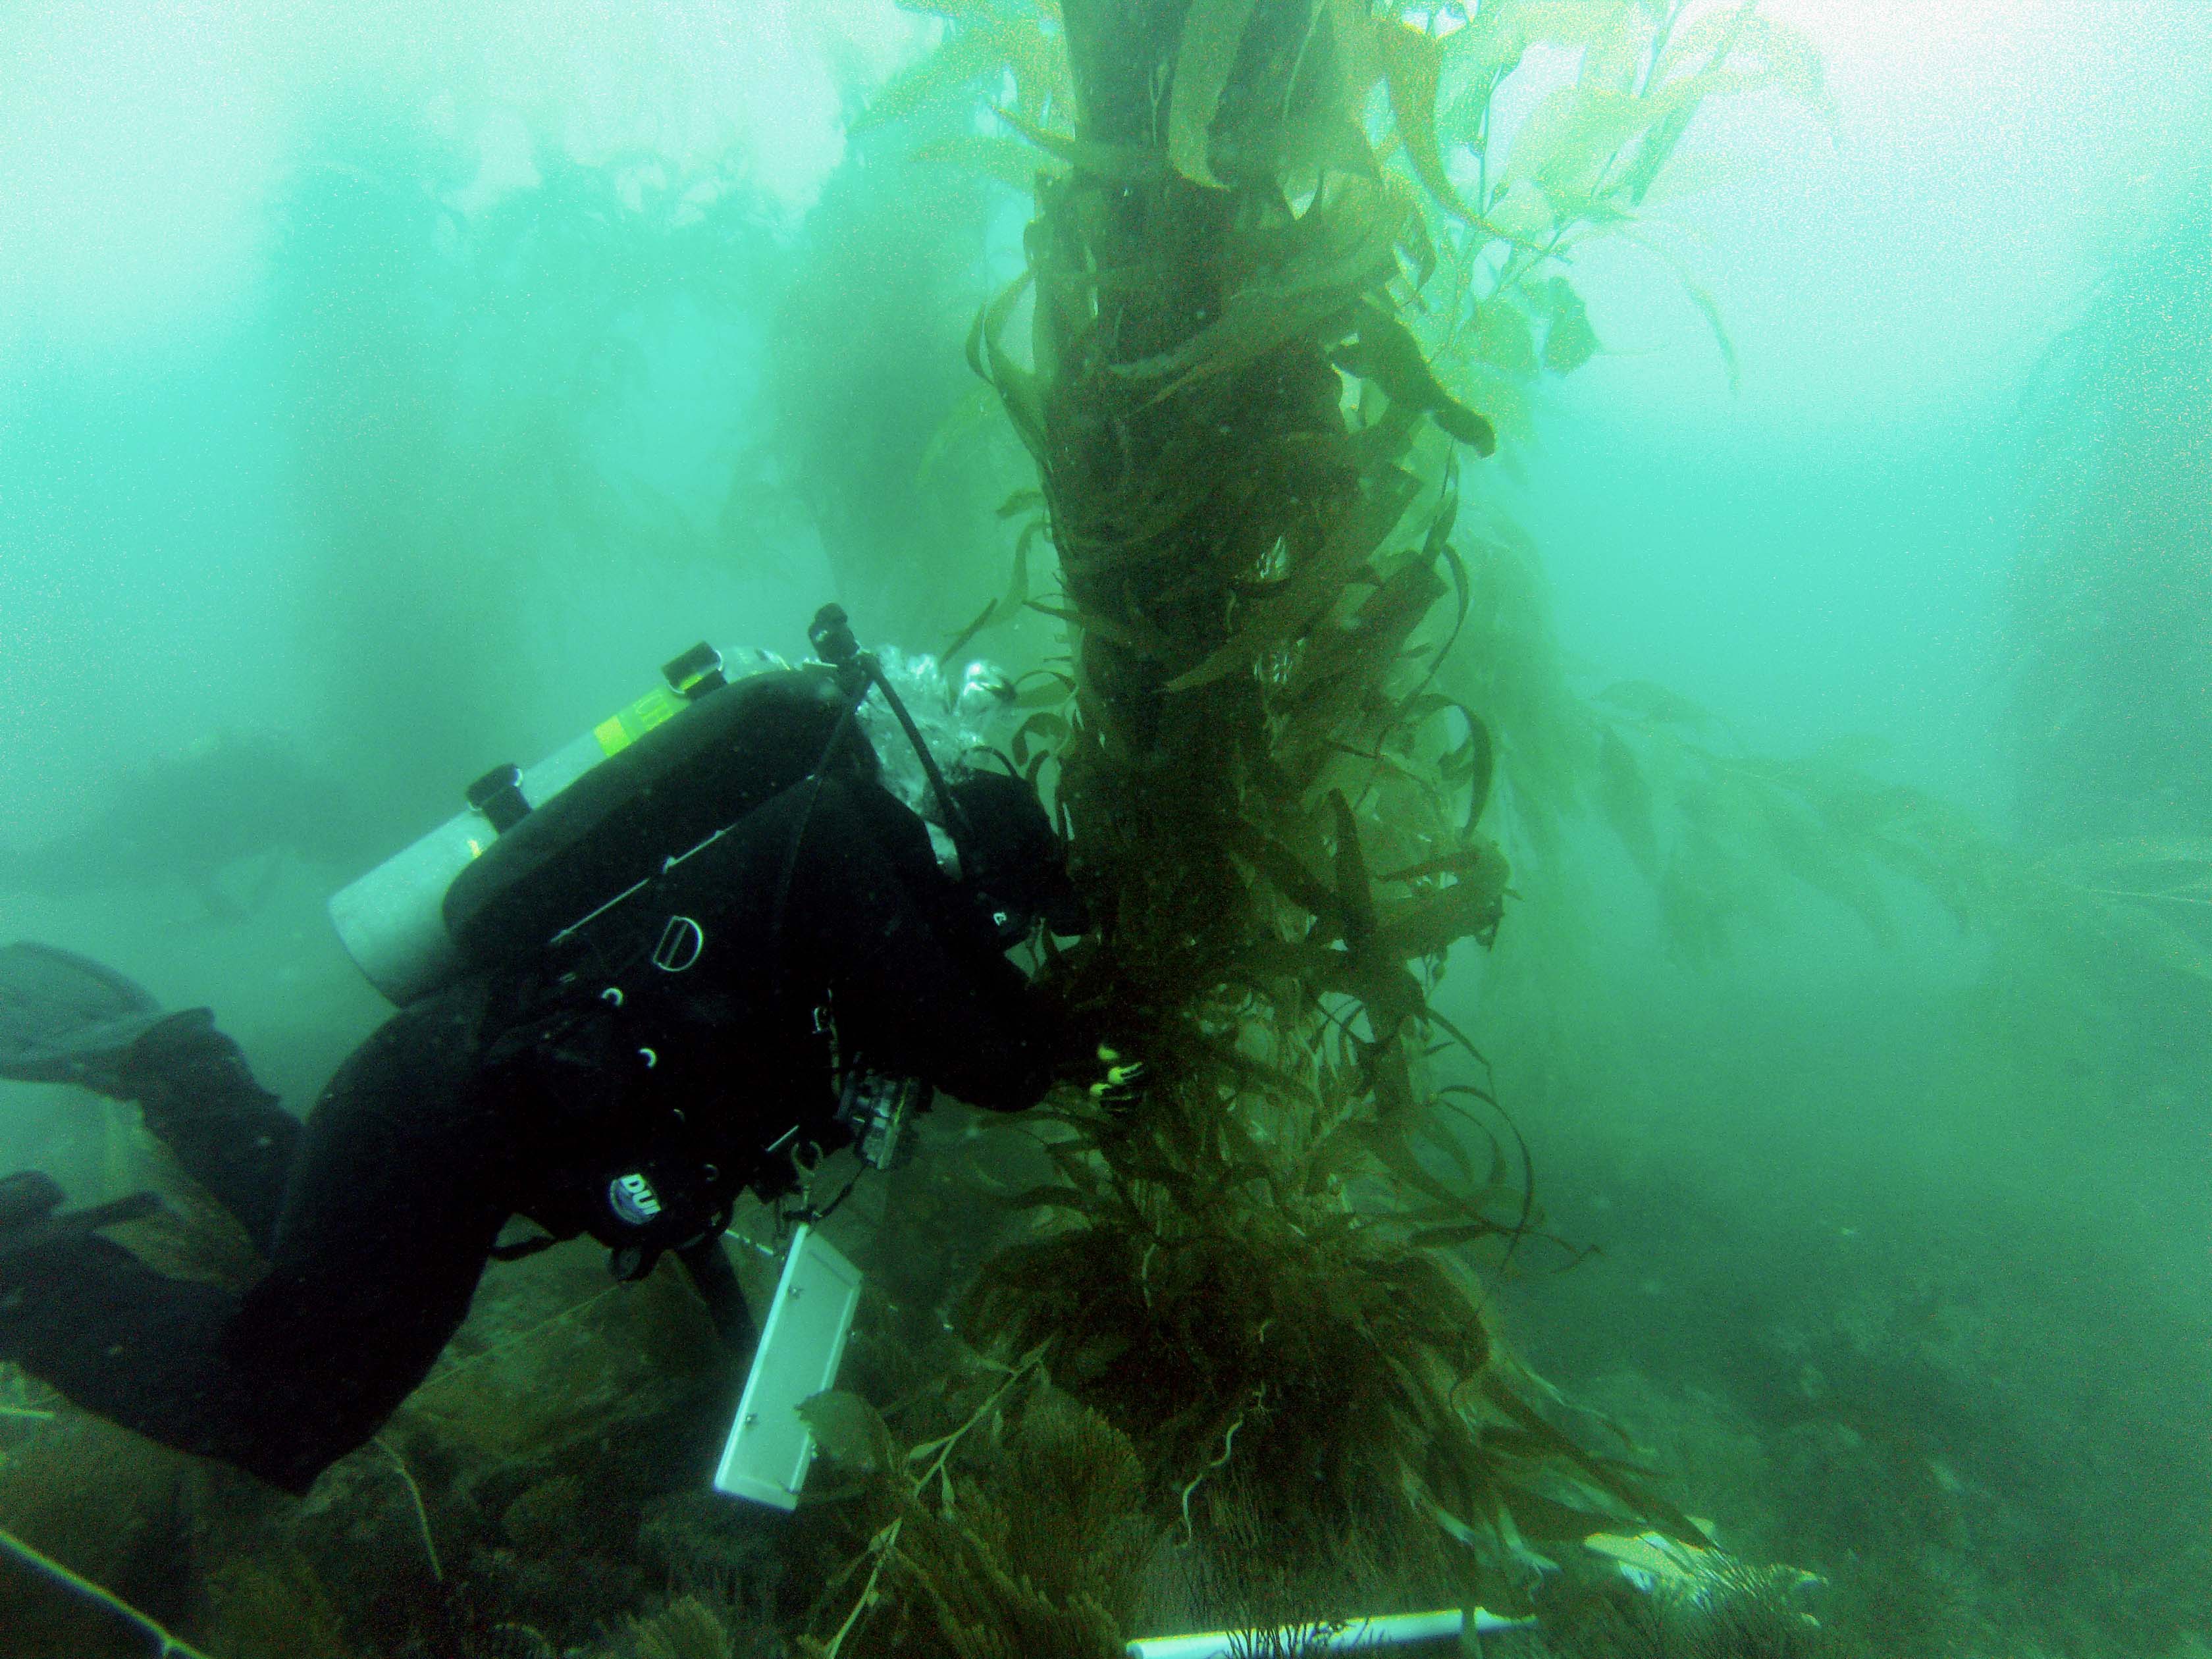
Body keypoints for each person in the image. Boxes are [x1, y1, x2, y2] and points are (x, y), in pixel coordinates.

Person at [0, 619, 1117, 1495]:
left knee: (311, 1258)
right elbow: (986, 1047)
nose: (982, 946)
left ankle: (179, 1065)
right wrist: (1055, 1049)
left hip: (443, 1102)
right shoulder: (835, 840)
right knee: (287, 1407)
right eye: (996, 923)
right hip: (442, 1113)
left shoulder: (837, 883)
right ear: (965, 874)